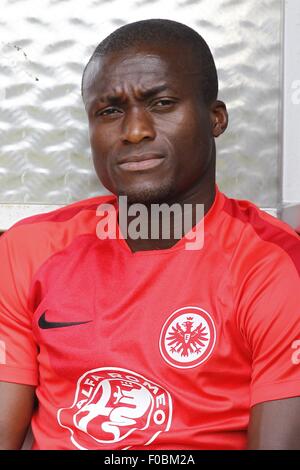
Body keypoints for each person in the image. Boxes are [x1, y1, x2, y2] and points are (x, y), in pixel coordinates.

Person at [0, 18, 300, 451]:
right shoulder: (26, 251)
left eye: (161, 104)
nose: (134, 130)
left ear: (215, 118)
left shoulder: (274, 263)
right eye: (110, 111)